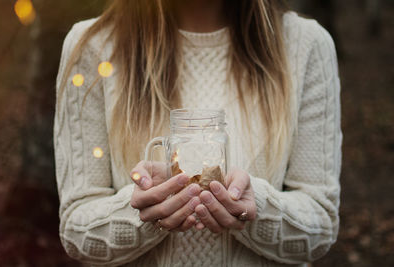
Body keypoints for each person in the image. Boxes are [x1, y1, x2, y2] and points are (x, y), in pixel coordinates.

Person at [53, 0, 342, 266]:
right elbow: (76, 230)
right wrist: (142, 212)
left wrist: (258, 208)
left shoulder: (305, 45)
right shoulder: (93, 45)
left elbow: (321, 224)